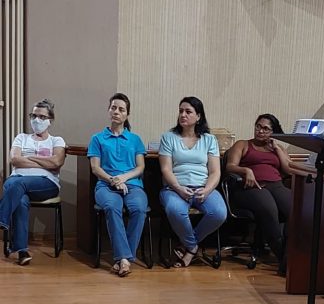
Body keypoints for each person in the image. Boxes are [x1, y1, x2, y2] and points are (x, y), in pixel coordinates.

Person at [159, 96, 227, 268]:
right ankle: (192, 247)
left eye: (188, 111)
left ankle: (187, 246)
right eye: (181, 111)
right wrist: (179, 188)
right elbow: (166, 169)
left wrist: (207, 190)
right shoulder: (168, 137)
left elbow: (215, 172)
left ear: (198, 116)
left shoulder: (209, 139)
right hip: (175, 188)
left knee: (219, 213)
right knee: (175, 210)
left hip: (202, 187)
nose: (183, 115)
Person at [87, 93, 148, 277]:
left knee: (139, 209)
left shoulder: (135, 139)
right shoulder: (97, 138)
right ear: (108, 110)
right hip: (105, 185)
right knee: (112, 207)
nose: (116, 112)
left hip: (133, 185)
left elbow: (140, 167)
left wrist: (123, 178)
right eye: (113, 108)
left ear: (127, 114)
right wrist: (113, 180)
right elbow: (95, 168)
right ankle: (124, 258)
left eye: (121, 109)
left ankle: (123, 259)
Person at [0, 99, 66, 265]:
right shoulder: (21, 138)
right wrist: (44, 161)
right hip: (16, 180)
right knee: (21, 199)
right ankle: (22, 251)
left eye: (42, 117)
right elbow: (15, 160)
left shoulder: (56, 141)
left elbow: (56, 162)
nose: (37, 120)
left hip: (46, 183)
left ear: (50, 120)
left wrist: (28, 158)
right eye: (34, 116)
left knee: (18, 185)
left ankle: (1, 219)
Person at [225, 114, 291, 275]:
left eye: (266, 129)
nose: (260, 131)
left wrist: (277, 148)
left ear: (273, 132)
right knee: (269, 209)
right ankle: (286, 262)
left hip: (276, 185)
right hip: (250, 188)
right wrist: (246, 170)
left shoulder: (278, 148)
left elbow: (289, 170)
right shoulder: (243, 144)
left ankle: (291, 256)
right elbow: (230, 166)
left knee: (298, 210)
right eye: (258, 126)